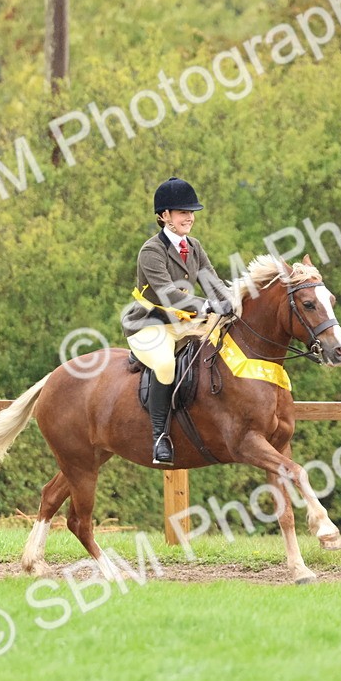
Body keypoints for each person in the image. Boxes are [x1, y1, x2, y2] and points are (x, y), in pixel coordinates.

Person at [121, 177, 234, 466]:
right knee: (166, 364)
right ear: (164, 216)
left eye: (191, 212)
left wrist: (234, 302)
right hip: (149, 323)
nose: (190, 217)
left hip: (184, 324)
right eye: (183, 212)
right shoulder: (151, 251)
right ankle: (160, 437)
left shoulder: (194, 247)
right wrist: (208, 305)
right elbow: (167, 294)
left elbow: (212, 281)